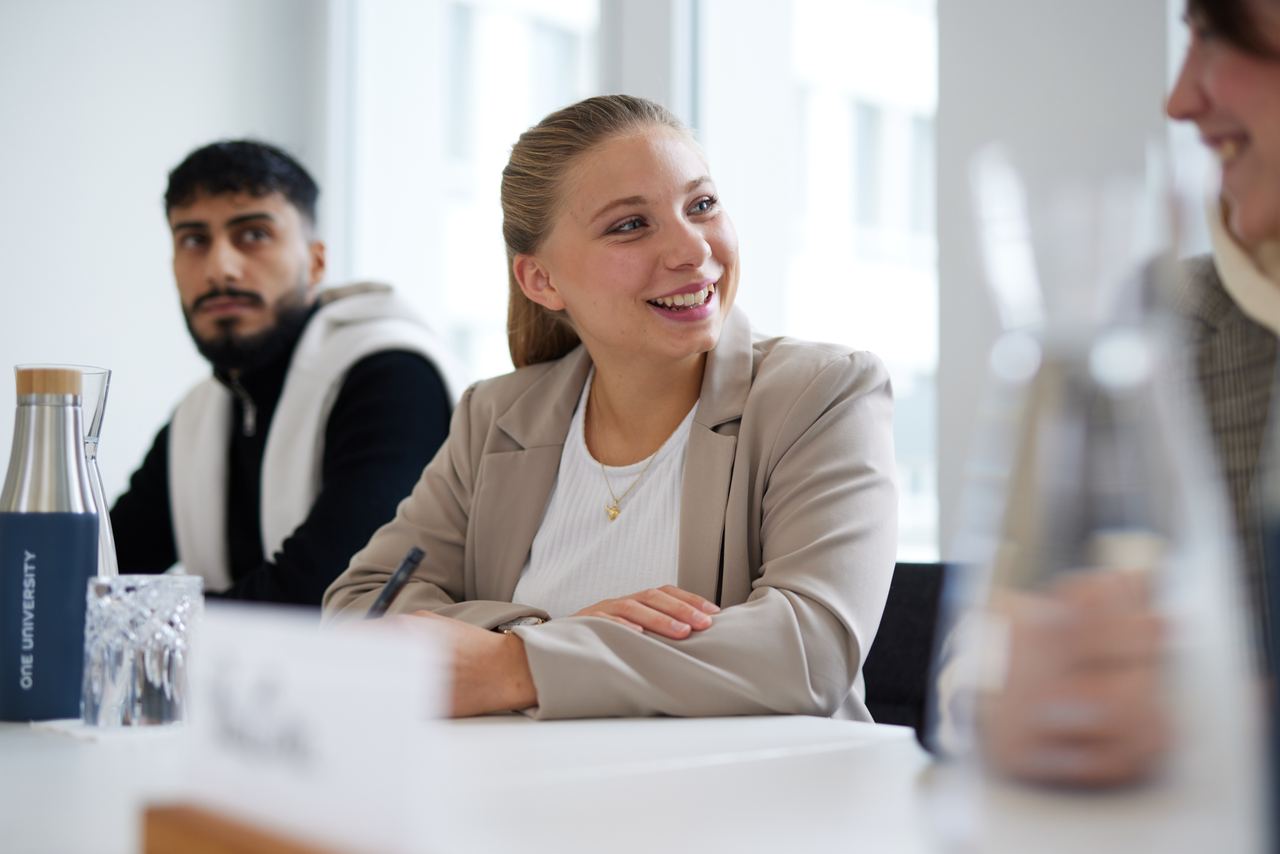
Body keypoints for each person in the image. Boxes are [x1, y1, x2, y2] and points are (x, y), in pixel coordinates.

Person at [323, 95, 898, 720]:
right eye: (630, 225)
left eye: (701, 205)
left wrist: (517, 665)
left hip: (753, 802)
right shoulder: (496, 417)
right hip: (526, 798)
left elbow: (809, 652)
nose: (692, 250)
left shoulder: (821, 393)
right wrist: (544, 634)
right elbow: (361, 608)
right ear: (541, 281)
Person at [935, 0, 1280, 786]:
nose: (1180, 99)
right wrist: (1013, 700)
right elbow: (970, 679)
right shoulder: (1153, 331)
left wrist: (1224, 713)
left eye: (1222, 35)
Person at [110, 140, 459, 606]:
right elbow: (97, 568)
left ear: (315, 262)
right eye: (194, 240)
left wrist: (133, 617)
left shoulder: (391, 375)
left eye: (252, 234)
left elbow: (322, 594)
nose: (220, 268)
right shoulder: (201, 414)